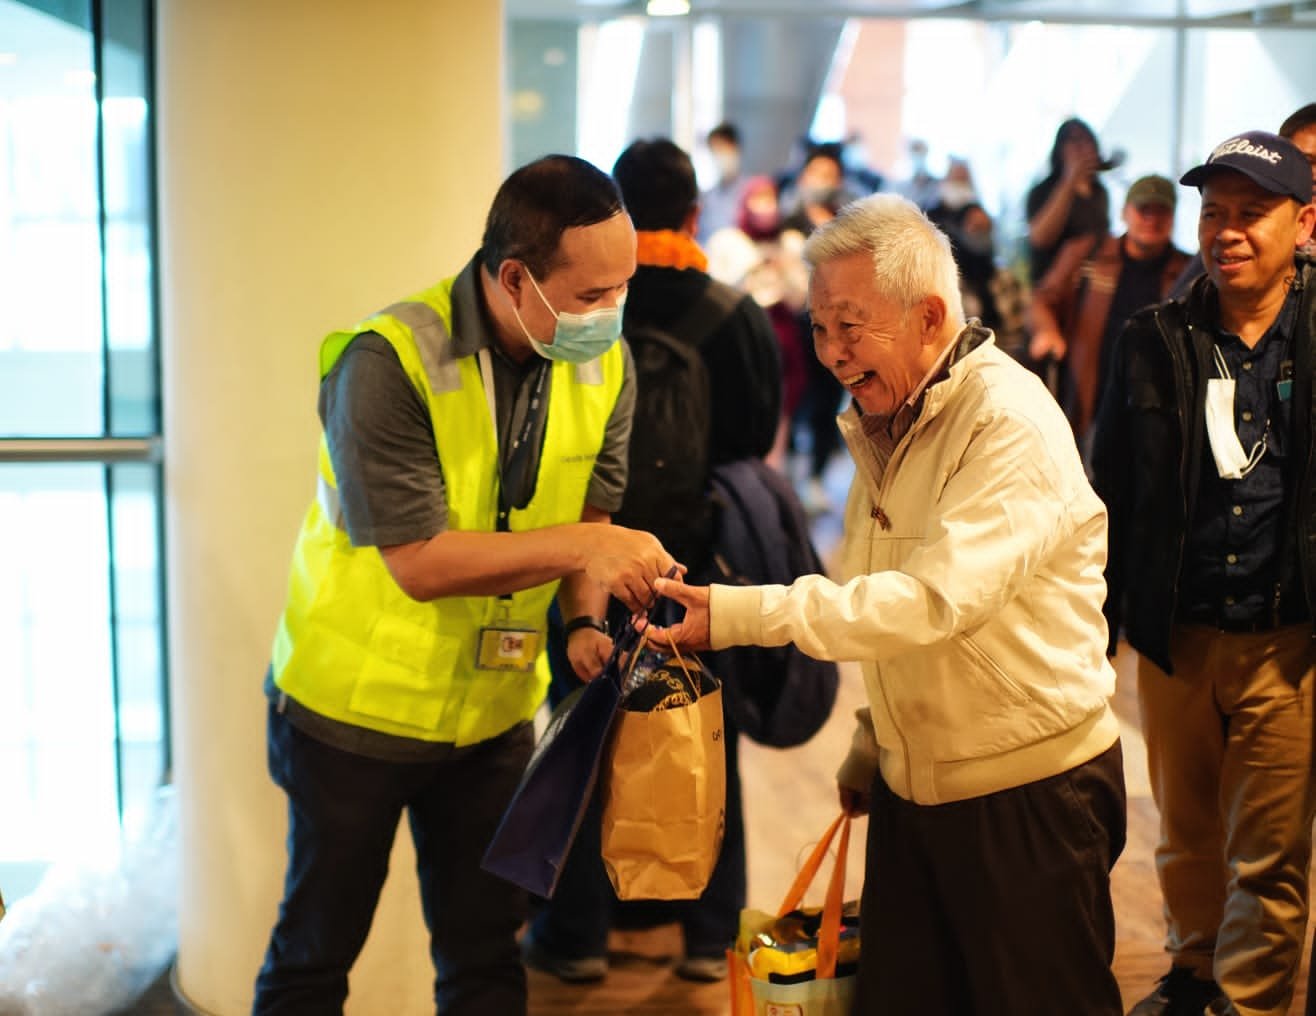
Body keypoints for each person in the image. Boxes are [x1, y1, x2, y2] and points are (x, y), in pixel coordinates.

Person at [654, 192, 1127, 1015]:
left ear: (929, 315)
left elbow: (929, 602)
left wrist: (736, 613)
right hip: (921, 790)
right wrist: (878, 743)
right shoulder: (890, 418)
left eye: (851, 325)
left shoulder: (1005, 421)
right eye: (819, 327)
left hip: (1029, 793)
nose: (832, 352)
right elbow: (874, 599)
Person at [252, 154, 682, 1016]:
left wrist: (581, 627)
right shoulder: (389, 361)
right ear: (515, 277)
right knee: (314, 959)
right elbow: (420, 562)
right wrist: (587, 556)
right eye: (593, 294)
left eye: (623, 288)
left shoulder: (607, 366)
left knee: (487, 962)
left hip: (492, 720)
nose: (613, 312)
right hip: (352, 721)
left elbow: (586, 530)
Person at [522, 137, 782, 987]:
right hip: (695, 567)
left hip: (591, 563)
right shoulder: (733, 313)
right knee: (707, 732)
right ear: (696, 213)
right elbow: (753, 440)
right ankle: (709, 934)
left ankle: (576, 935)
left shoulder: (586, 309)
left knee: (585, 740)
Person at [1091, 131, 1316, 1016]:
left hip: (1287, 642)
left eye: (1249, 214)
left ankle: (1251, 1002)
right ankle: (1192, 977)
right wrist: (1098, 632)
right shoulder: (1156, 338)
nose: (1226, 231)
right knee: (1185, 839)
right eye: (1212, 212)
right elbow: (1109, 490)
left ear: (1302, 223)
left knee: (1269, 851)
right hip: (1176, 635)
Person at [1029, 174, 1190, 451]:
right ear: (1125, 213)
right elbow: (1042, 298)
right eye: (1143, 210)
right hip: (1089, 400)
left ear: (1173, 217)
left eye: (1161, 211)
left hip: (1158, 410)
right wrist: (1047, 331)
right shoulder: (1086, 254)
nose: (1152, 219)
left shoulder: (1187, 271)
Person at [1171, 103, 1316, 299]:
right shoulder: (1232, 245)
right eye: (1307, 162)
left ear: (1304, 222)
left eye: (1251, 214)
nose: (1230, 234)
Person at [1026, 117, 1116, 285]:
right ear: (1060, 149)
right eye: (1073, 140)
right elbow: (1040, 238)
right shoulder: (1042, 191)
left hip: (1088, 287)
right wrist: (1070, 180)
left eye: (1086, 139)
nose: (1081, 146)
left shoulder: (1100, 192)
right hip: (1051, 286)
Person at [697, 121, 747, 245]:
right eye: (715, 150)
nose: (719, 155)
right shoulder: (707, 198)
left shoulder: (751, 190)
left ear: (735, 147)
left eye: (723, 147)